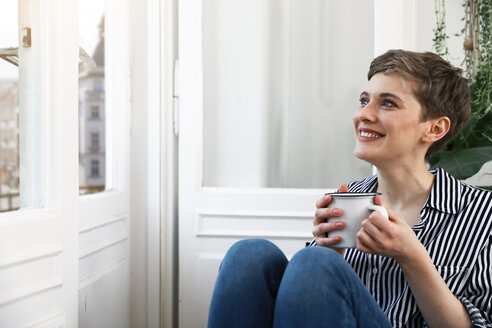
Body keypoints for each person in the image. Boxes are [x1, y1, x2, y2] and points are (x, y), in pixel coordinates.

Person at [207, 50, 492, 328]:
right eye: (364, 100)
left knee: (314, 263)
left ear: (434, 129)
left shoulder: (483, 215)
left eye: (388, 103)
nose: (363, 115)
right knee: (248, 255)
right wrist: (331, 251)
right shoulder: (348, 201)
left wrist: (413, 257)